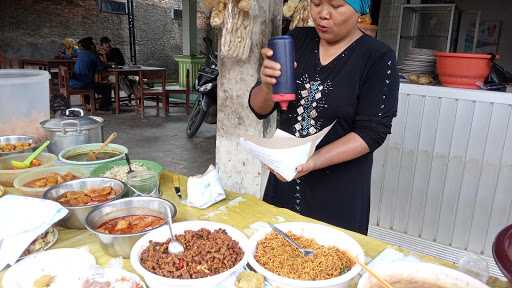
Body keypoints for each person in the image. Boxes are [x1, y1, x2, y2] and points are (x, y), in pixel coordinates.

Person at [249, 0, 399, 235]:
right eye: (316, 3)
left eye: (337, 6)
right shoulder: (296, 41)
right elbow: (259, 109)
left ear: (360, 8)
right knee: (274, 253)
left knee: (328, 261)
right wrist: (268, 86)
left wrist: (313, 161)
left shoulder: (377, 58)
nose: (323, 14)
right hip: (284, 184)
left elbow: (372, 132)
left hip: (337, 195)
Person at [70, 37, 112, 111]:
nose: (95, 46)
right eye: (94, 45)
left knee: (90, 83)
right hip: (84, 84)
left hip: (73, 83)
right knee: (107, 87)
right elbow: (101, 67)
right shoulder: (92, 55)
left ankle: (89, 104)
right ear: (91, 46)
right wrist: (109, 65)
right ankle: (103, 107)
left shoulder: (81, 54)